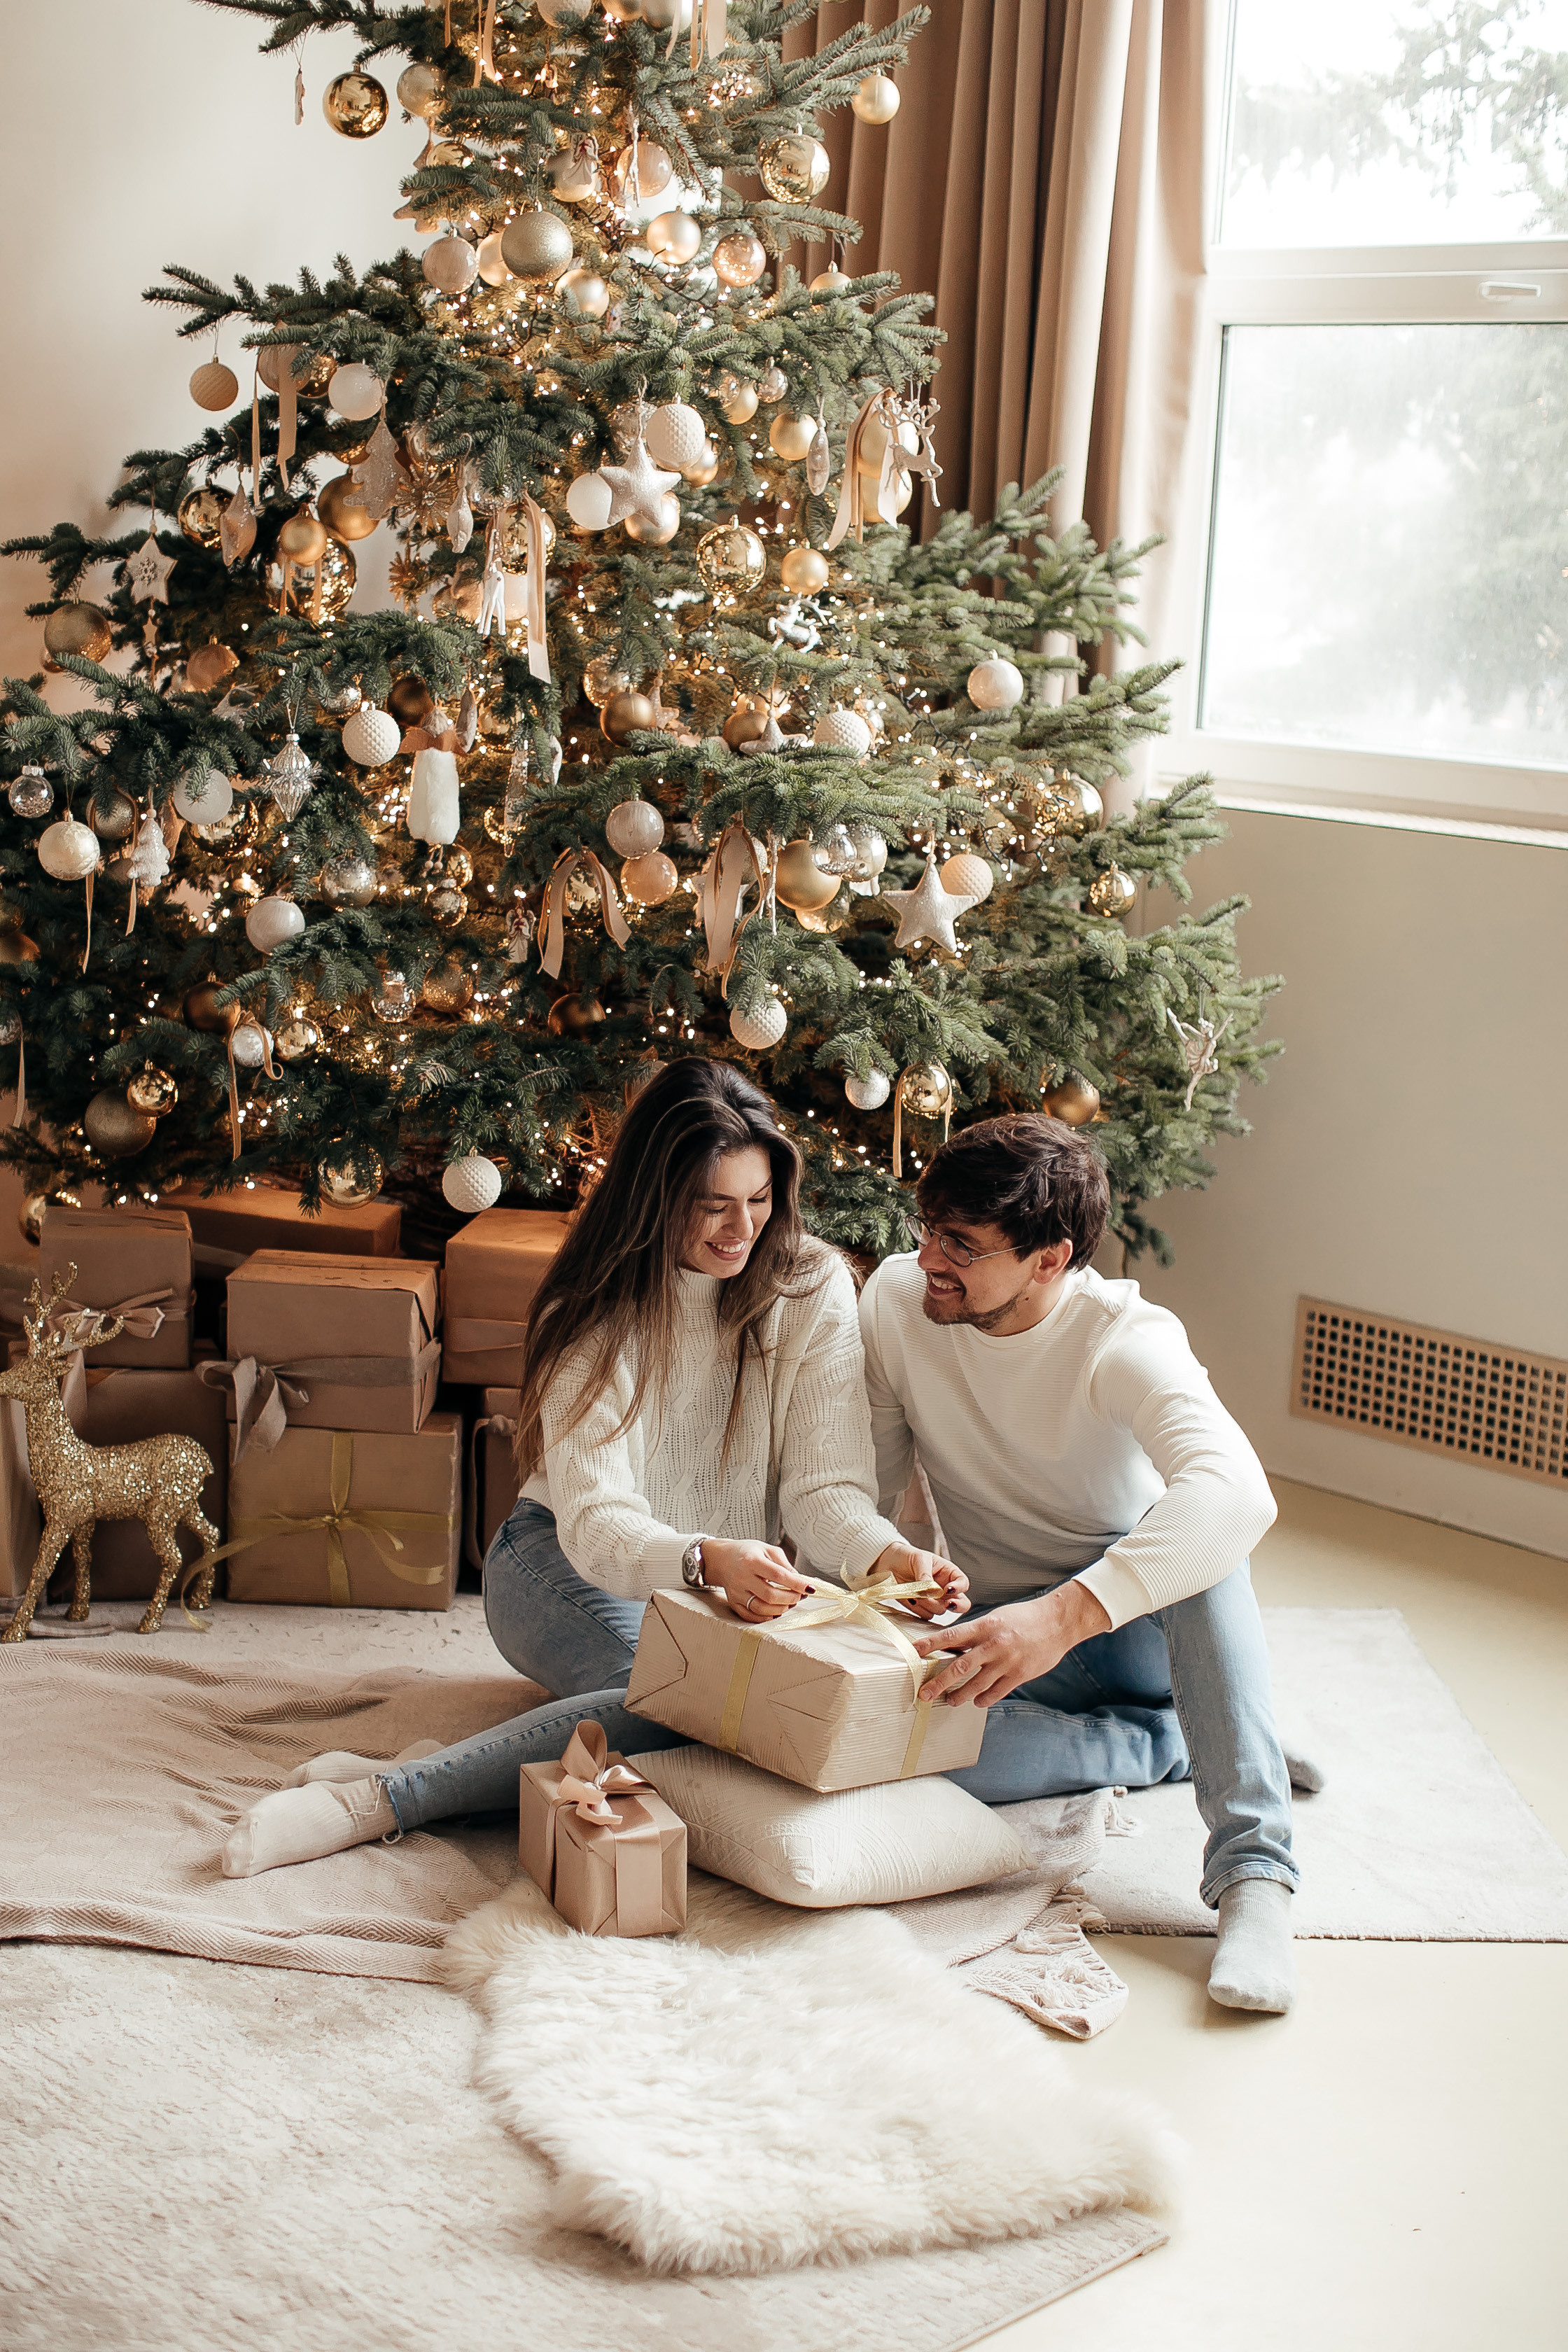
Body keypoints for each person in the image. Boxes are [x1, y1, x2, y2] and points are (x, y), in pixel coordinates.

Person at [223, 1058, 961, 1879]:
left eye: (757, 1201)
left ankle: (457, 1765)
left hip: (710, 1596)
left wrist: (886, 1556)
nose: (740, 1229)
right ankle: (379, 1802)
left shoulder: (810, 1285)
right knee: (678, 1707)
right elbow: (599, 1525)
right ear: (654, 1195)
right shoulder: (596, 1305)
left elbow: (824, 1489)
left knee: (720, 1720)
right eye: (710, 1205)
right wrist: (702, 1558)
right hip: (559, 1563)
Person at [855, 1112, 1306, 2014]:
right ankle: (1169, 1743)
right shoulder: (898, 1302)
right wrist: (883, 1584)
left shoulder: (1124, 1338)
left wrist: (1060, 1617)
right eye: (926, 1227)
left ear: (1048, 1260)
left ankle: (1254, 1873)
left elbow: (1238, 1493)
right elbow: (868, 1485)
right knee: (873, 1754)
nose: (927, 1258)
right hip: (999, 1630)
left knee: (1207, 1548)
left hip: (1131, 1628)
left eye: (961, 1244)